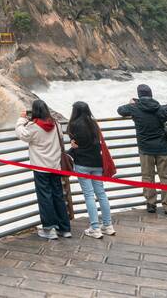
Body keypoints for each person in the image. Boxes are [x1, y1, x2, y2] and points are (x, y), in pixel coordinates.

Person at [117, 84, 167, 214]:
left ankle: (151, 203)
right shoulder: (158, 107)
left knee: (147, 176)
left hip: (145, 148)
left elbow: (120, 110)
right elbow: (164, 118)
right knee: (166, 177)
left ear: (139, 95)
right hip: (162, 147)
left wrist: (132, 103)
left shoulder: (135, 107)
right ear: (151, 94)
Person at [17, 99, 71, 239]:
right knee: (58, 195)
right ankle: (65, 229)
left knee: (45, 197)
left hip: (41, 167)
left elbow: (22, 134)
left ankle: (49, 229)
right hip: (55, 166)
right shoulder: (57, 124)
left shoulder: (34, 126)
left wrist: (21, 119)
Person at [67, 101, 114, 238]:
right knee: (101, 193)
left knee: (89, 195)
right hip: (97, 163)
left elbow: (75, 144)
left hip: (82, 164)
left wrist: (72, 147)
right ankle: (108, 225)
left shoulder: (73, 125)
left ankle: (95, 228)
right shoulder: (94, 124)